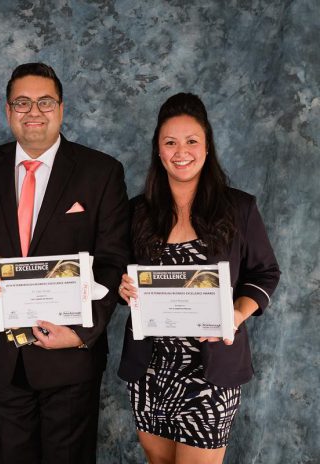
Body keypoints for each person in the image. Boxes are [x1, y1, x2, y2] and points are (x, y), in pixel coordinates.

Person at [0, 62, 130, 463]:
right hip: (3, 355)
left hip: (69, 354)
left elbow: (112, 261)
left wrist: (82, 332)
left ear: (61, 109)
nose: (33, 112)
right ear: (7, 111)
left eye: (44, 102)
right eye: (22, 102)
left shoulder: (100, 173)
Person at [117, 93, 281, 464]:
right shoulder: (136, 212)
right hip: (151, 369)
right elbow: (118, 272)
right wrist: (121, 286)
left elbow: (266, 272)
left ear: (207, 148)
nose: (181, 151)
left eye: (192, 141)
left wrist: (236, 315)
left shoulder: (240, 208)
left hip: (211, 371)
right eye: (170, 142)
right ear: (158, 151)